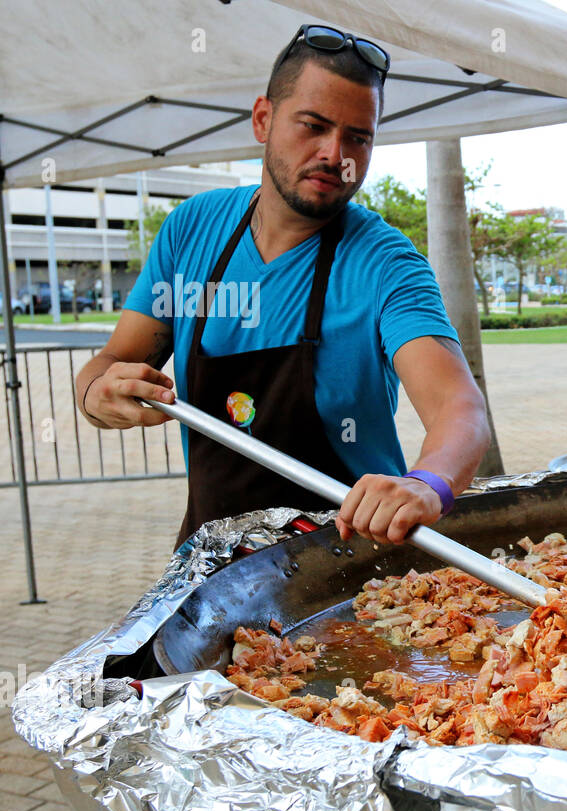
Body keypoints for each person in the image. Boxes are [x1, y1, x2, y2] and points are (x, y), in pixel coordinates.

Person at [75, 25, 490, 548]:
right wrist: (97, 394)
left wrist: (426, 483)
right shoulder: (191, 230)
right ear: (263, 119)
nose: (335, 154)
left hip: (350, 569)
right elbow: (111, 360)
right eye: (313, 126)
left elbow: (460, 407)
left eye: (358, 137)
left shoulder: (385, 262)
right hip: (212, 561)